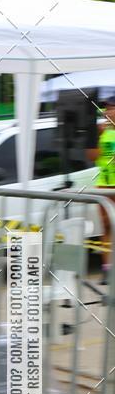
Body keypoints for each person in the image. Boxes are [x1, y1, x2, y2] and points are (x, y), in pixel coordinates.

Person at [87, 98, 115, 280]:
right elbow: (91, 157)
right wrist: (95, 137)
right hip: (104, 187)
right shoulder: (100, 131)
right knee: (107, 228)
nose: (107, 112)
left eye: (111, 108)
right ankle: (107, 269)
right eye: (106, 109)